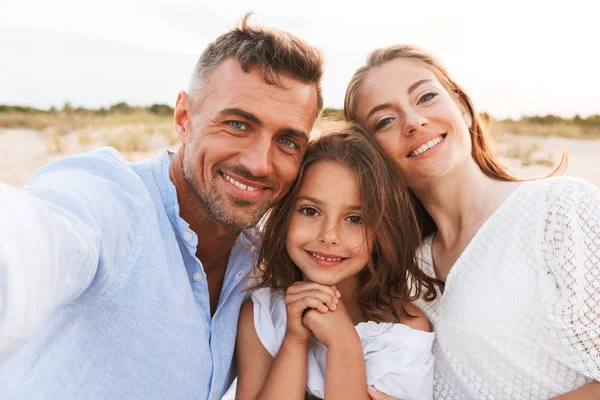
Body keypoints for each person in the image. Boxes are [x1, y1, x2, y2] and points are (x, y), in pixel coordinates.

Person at [0, 14, 323, 399]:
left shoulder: (264, 260)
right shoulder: (115, 200)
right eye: (237, 124)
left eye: (288, 141)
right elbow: (36, 236)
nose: (259, 163)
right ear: (184, 118)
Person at [344, 44, 600, 400]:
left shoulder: (557, 209)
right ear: (374, 156)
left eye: (426, 97)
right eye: (385, 120)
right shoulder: (407, 272)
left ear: (462, 109)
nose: (414, 121)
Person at [235, 125, 440, 400]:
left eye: (355, 219)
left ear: (380, 232)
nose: (329, 236)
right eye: (310, 211)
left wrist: (343, 342)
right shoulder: (262, 316)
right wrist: (295, 341)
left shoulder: (402, 330)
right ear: (284, 216)